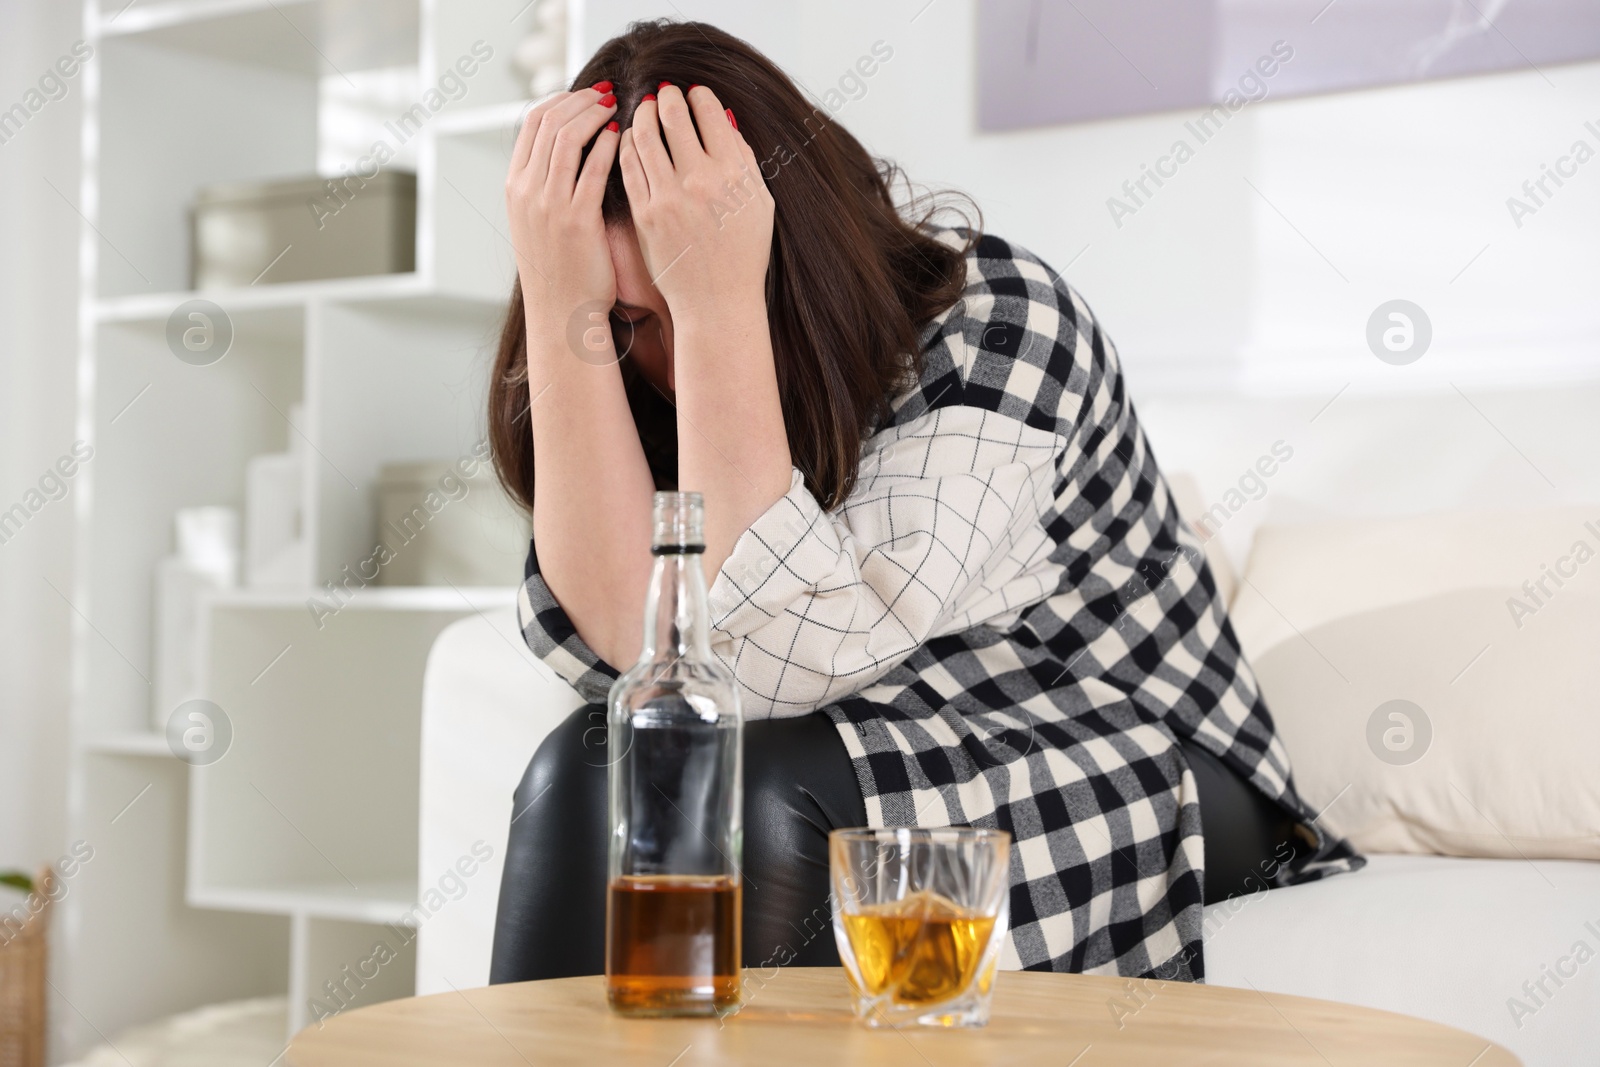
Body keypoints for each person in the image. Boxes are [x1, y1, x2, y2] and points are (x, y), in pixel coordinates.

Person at [487, 19, 1360, 985]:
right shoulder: (623, 366)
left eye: (659, 312)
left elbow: (771, 667)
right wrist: (559, 299)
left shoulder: (1002, 319)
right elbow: (650, 662)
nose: (654, 356)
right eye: (624, 321)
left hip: (1163, 757)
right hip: (896, 717)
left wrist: (715, 304)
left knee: (754, 790)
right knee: (592, 763)